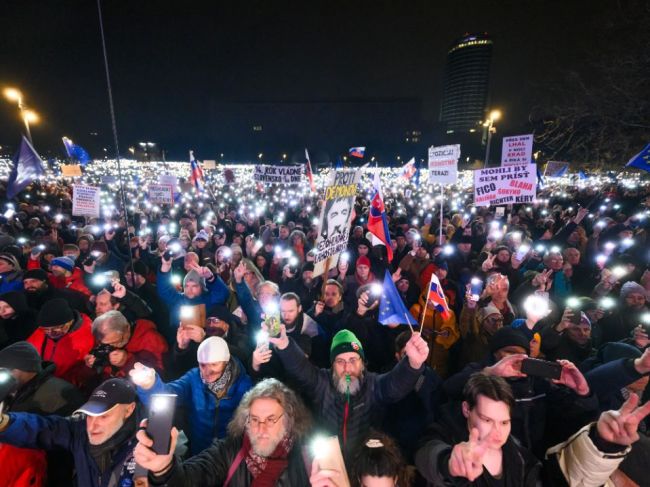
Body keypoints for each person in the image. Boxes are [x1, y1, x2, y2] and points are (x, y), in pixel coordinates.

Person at [416, 372, 650, 486]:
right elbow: (427, 456)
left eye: (504, 422)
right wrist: (449, 465)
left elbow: (558, 480)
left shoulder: (519, 455)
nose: (498, 432)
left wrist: (603, 443)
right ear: (467, 410)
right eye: (487, 420)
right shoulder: (442, 435)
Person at [270, 326, 429, 456]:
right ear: (333, 365)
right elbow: (301, 369)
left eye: (353, 360)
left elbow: (395, 385)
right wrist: (285, 345)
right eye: (340, 361)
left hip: (364, 461)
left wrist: (413, 364)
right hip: (328, 459)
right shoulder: (322, 382)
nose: (347, 368)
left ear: (362, 363)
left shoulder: (374, 385)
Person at [135, 378, 312, 486]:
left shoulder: (308, 460)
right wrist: (163, 469)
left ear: (289, 420)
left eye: (271, 419)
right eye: (254, 419)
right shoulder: (228, 451)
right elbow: (188, 479)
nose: (261, 428)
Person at [0, 378, 141, 487]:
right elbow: (44, 428)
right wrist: (4, 422)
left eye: (103, 416)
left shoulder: (144, 444)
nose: (92, 426)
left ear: (129, 410)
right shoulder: (79, 431)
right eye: (90, 415)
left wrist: (159, 475)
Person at [130, 336, 252, 455]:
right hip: (199, 451)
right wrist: (150, 385)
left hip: (229, 452)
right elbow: (170, 393)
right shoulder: (193, 378)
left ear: (226, 362)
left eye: (214, 365)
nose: (207, 372)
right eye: (203, 365)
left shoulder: (244, 385)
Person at [26, 298, 95, 387]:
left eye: (57, 327)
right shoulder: (42, 330)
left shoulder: (88, 336)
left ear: (70, 321)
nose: (51, 332)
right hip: (39, 383)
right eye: (46, 329)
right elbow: (26, 351)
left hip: (63, 388)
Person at [85, 310, 168, 380]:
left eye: (116, 342)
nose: (113, 346)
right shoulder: (108, 337)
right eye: (107, 344)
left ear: (127, 328)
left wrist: (127, 360)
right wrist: (93, 359)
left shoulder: (151, 340)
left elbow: (159, 376)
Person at [21, 268, 88, 314]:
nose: (29, 285)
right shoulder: (23, 299)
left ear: (45, 281)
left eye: (33, 281)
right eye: (25, 282)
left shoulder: (65, 297)